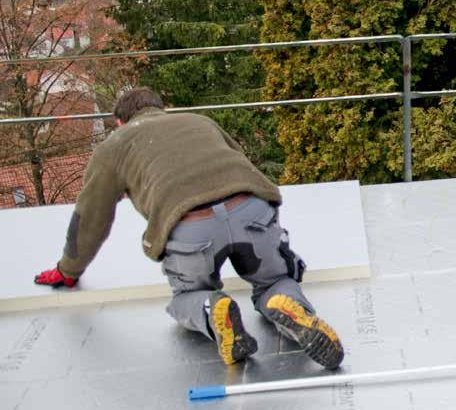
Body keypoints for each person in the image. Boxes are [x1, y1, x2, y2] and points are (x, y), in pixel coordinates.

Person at [34, 87, 344, 370]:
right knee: (275, 280)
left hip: (191, 227)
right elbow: (238, 158)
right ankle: (289, 308)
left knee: (187, 296)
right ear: (162, 108)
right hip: (251, 209)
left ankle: (213, 308)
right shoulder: (199, 121)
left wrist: (68, 270)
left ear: (119, 122)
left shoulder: (113, 146)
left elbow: (91, 216)